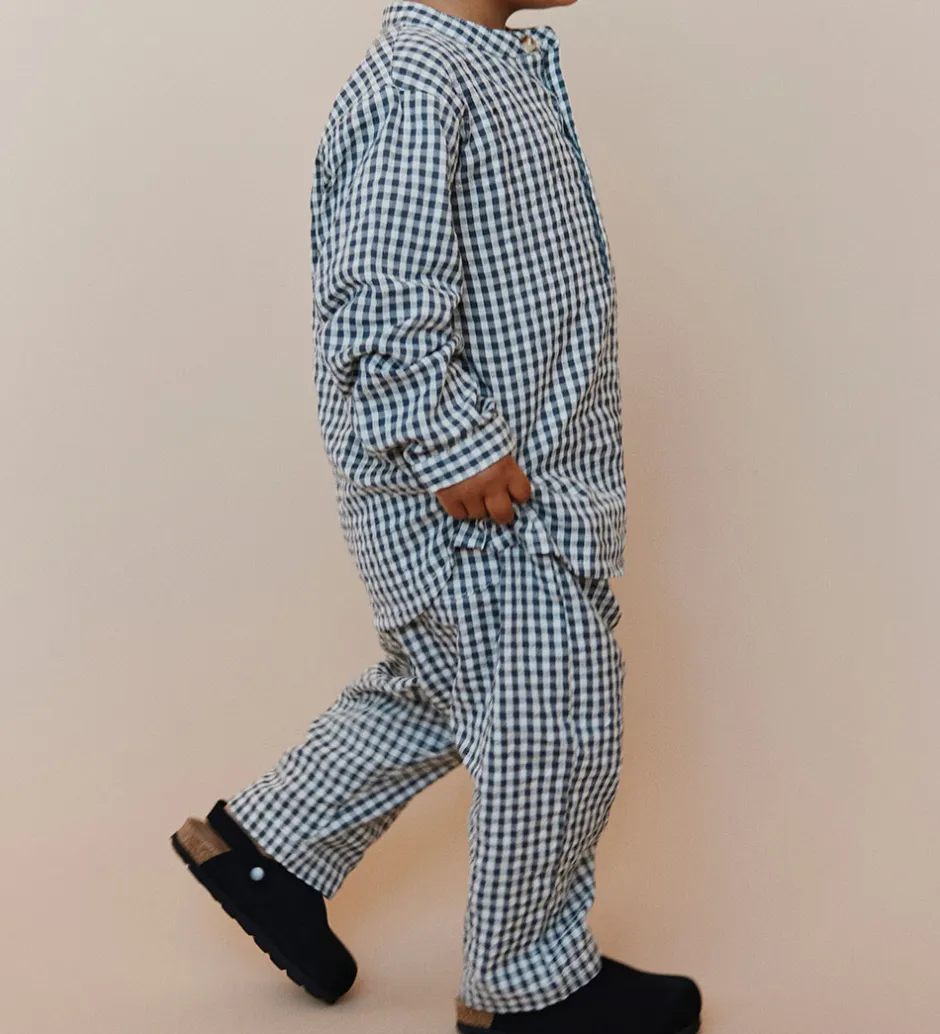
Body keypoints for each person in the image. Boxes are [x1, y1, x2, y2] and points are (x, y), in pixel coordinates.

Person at [170, 3, 703, 1032]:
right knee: (552, 718)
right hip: (480, 496)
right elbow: (379, 296)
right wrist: (450, 441)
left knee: (440, 685)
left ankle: (270, 847)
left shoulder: (481, 65)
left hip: (512, 488)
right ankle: (526, 985)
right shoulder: (421, 80)